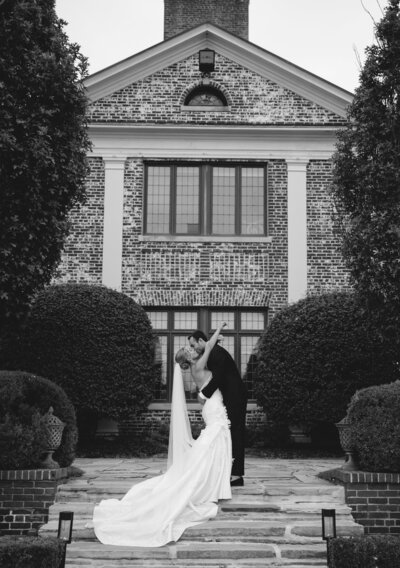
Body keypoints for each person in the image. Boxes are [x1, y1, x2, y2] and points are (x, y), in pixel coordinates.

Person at [92, 322, 231, 547]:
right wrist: (218, 330)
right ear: (190, 359)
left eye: (193, 349)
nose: (194, 351)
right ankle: (206, 486)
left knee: (211, 446)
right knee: (210, 445)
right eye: (191, 351)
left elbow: (204, 389)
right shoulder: (199, 367)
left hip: (212, 407)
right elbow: (210, 346)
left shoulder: (196, 370)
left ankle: (212, 485)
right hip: (214, 410)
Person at [188, 328, 248, 486]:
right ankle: (229, 471)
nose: (194, 349)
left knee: (235, 432)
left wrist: (204, 394)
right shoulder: (211, 352)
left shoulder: (216, 353)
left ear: (201, 341)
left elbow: (218, 377)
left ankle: (236, 476)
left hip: (235, 396)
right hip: (229, 397)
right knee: (229, 432)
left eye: (194, 345)